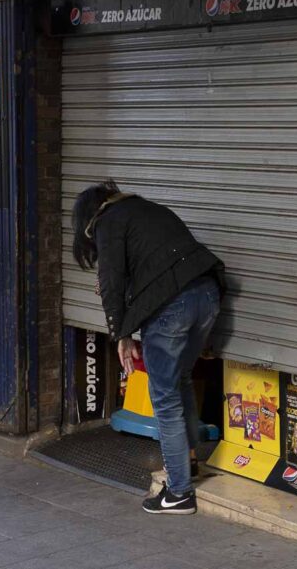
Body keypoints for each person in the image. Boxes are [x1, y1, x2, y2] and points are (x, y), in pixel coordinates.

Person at [73, 180, 225, 515]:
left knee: (165, 398)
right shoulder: (144, 210)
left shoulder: (107, 222)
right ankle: (189, 463)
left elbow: (112, 282)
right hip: (208, 295)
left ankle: (181, 492)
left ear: (87, 219)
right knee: (180, 380)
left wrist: (120, 335)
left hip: (173, 307)